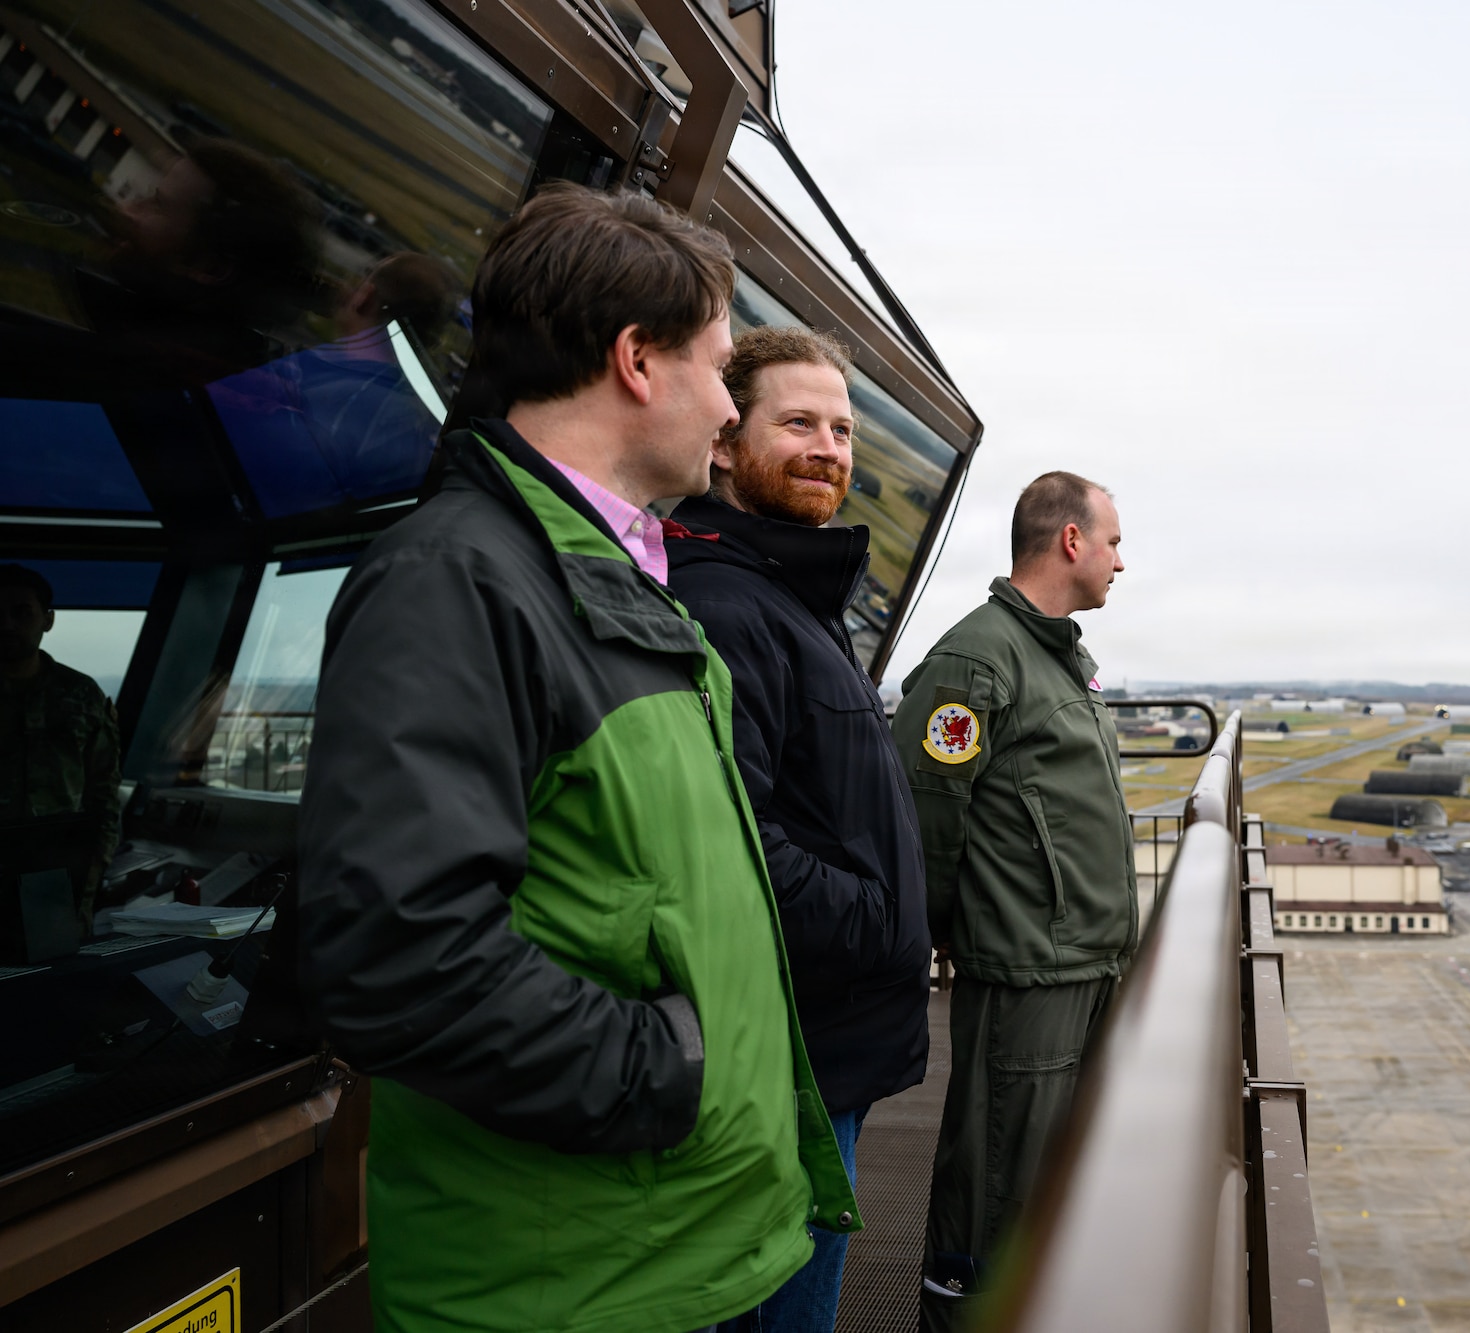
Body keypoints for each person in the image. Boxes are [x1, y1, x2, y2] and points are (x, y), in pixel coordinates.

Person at [295, 183, 859, 1333]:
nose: (725, 404)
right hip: (570, 1279)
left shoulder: (609, 577)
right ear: (635, 362)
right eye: (715, 366)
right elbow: (398, 955)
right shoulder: (456, 579)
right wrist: (670, 1073)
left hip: (658, 1249)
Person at [669, 326, 931, 1332]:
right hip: (787, 1058)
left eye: (841, 427)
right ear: (727, 440)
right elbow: (727, 841)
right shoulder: (724, 604)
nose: (830, 447)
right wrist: (873, 919)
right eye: (798, 423)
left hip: (824, 1046)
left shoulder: (786, 595)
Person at [890, 471, 1135, 1332]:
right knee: (997, 1185)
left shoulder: (1059, 654)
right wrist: (958, 933)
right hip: (1026, 974)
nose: (1120, 561)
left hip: (1083, 967)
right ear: (1071, 541)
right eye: (1112, 541)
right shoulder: (976, 661)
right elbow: (923, 823)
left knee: (1053, 1186)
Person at [0, 564, 123, 951]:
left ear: (48, 620)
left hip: (54, 870)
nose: (6, 625)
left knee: (51, 985)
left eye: (22, 612)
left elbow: (104, 790)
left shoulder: (81, 695)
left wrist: (92, 873)